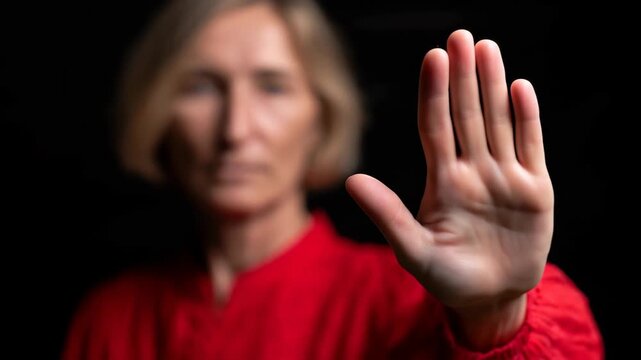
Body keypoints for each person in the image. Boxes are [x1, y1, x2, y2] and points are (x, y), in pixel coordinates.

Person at [62, 0, 604, 358]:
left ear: (320, 116)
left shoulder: (402, 300)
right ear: (157, 110)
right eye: (201, 86)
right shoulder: (111, 318)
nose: (236, 129)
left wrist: (495, 313)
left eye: (272, 86)